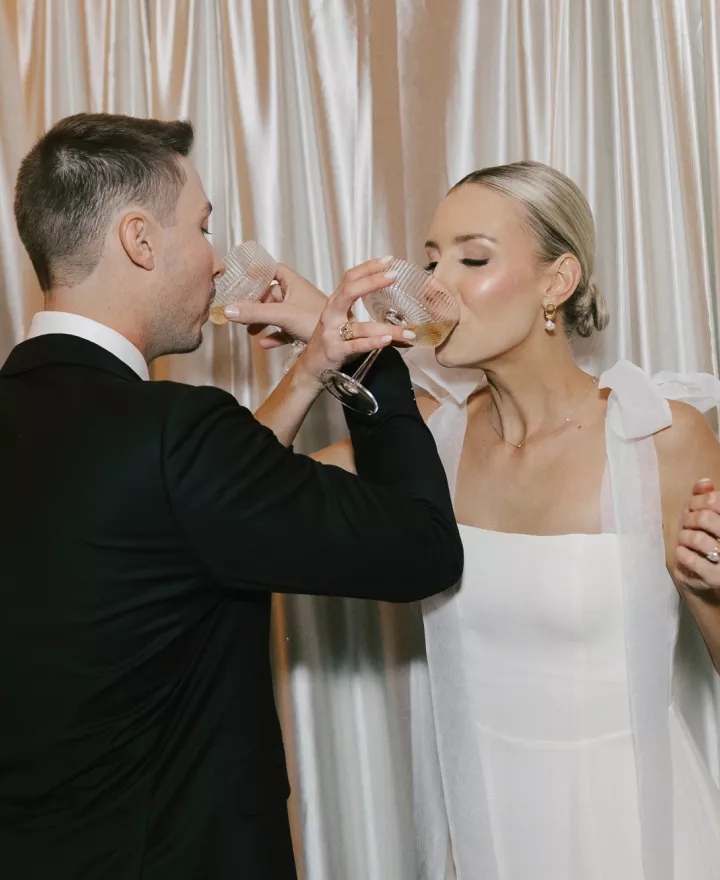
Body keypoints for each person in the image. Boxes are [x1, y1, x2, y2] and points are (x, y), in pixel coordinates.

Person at [0, 112, 463, 880]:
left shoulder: (100, 428)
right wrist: (371, 357)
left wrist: (310, 369)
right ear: (140, 240)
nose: (217, 264)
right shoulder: (176, 435)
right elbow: (422, 547)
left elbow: (171, 515)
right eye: (204, 227)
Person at [229, 160, 720, 878]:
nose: (433, 286)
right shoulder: (428, 441)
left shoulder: (657, 435)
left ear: (557, 282)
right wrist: (313, 358)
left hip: (639, 835)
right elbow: (239, 490)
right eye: (430, 261)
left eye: (472, 258)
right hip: (487, 836)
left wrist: (709, 593)